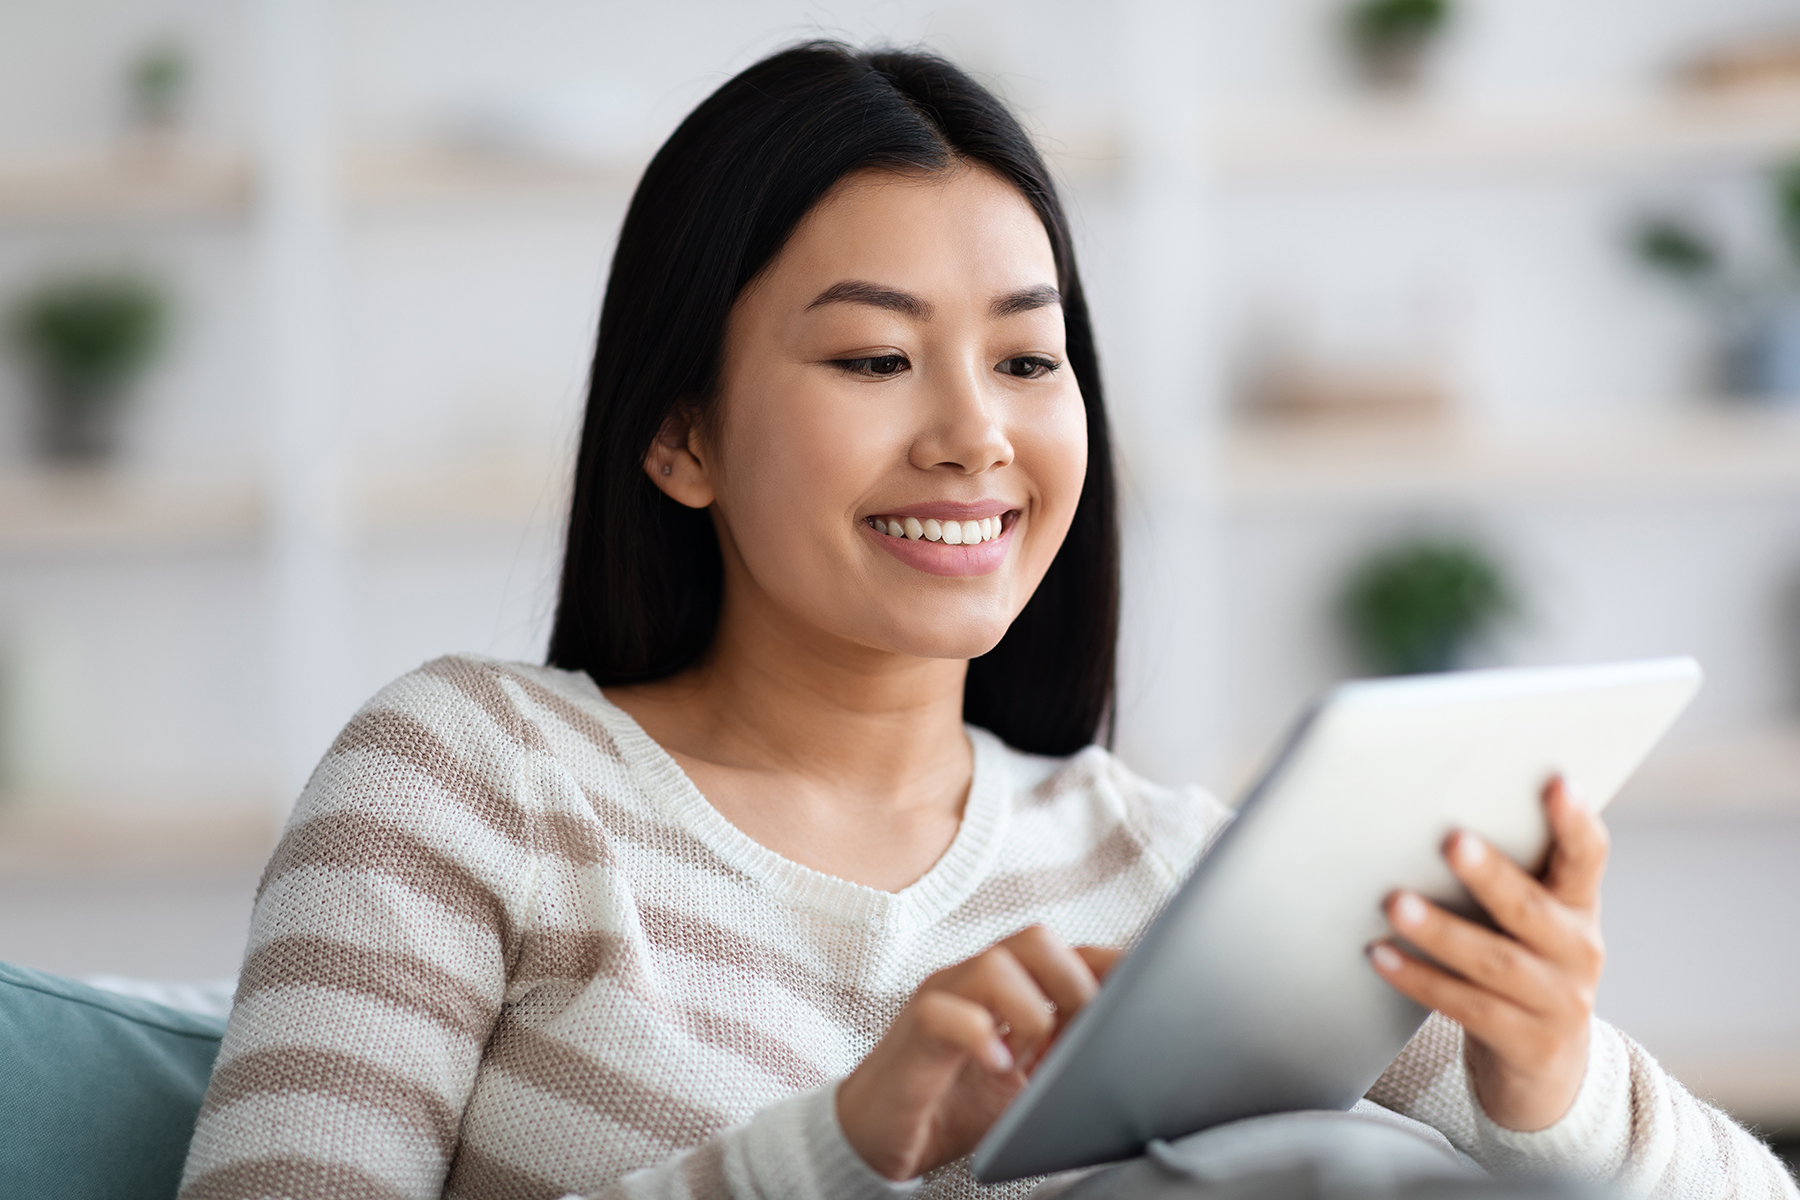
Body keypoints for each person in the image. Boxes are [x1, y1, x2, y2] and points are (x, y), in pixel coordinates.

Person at [178, 43, 1796, 1200]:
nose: (977, 435)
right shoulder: (470, 779)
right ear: (680, 437)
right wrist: (836, 1146)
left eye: (1029, 359)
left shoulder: (1176, 877)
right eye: (875, 360)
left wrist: (1547, 1077)